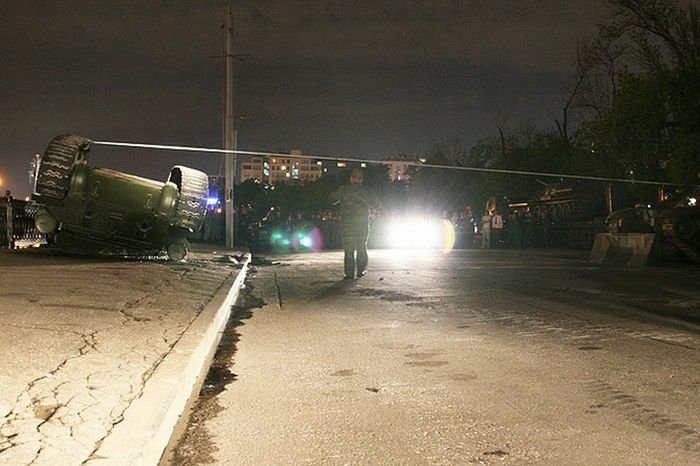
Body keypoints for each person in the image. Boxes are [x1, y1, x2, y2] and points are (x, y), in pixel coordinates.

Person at [330, 169, 381, 279]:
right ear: (361, 179)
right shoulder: (366, 191)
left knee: (348, 249)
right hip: (362, 223)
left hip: (347, 223)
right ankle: (361, 270)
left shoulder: (343, 190)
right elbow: (376, 204)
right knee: (361, 246)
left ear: (351, 178)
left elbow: (332, 200)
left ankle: (349, 273)